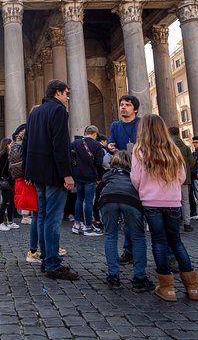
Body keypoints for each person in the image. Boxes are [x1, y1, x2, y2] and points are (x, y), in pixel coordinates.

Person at [131, 114, 198, 301]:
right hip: (173, 201)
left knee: (159, 242)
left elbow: (135, 179)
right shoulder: (174, 150)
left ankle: (167, 288)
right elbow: (181, 177)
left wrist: (147, 189)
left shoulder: (140, 151)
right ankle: (194, 288)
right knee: (176, 242)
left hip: (151, 202)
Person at [23, 79, 78, 280]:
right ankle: (53, 264)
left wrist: (28, 172)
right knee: (53, 219)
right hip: (54, 174)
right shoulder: (58, 111)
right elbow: (61, 145)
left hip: (37, 173)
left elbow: (27, 143)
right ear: (57, 93)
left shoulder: (35, 112)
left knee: (44, 216)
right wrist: (67, 174)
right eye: (66, 93)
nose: (67, 98)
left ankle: (46, 259)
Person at [99, 151, 154, 292]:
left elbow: (101, 186)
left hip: (108, 199)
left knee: (110, 236)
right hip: (130, 200)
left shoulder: (108, 173)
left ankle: (113, 276)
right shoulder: (134, 173)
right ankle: (139, 277)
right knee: (138, 237)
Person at [107, 95, 141, 265]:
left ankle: (169, 254)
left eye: (127, 105)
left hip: (141, 170)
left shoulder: (142, 124)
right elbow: (111, 143)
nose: (123, 107)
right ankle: (128, 249)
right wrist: (110, 147)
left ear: (135, 109)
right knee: (128, 212)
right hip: (124, 171)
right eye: (121, 104)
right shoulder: (115, 125)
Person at [70, 125, 104, 236]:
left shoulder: (75, 143)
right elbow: (99, 163)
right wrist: (99, 178)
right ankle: (88, 226)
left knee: (79, 199)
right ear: (94, 134)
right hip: (90, 176)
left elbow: (71, 158)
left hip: (78, 176)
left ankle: (77, 224)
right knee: (89, 201)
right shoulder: (96, 145)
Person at [168, 127, 196, 232]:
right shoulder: (185, 147)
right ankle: (187, 223)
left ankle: (174, 221)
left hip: (170, 177)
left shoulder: (167, 146)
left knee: (172, 200)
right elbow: (192, 163)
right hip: (185, 177)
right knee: (185, 200)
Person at [0, 137, 14, 231]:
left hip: (6, 181)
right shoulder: (4, 155)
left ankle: (10, 222)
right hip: (6, 182)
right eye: (11, 144)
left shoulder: (3, 154)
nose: (12, 145)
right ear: (7, 145)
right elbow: (5, 170)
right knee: (5, 202)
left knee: (10, 201)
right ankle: (0, 223)